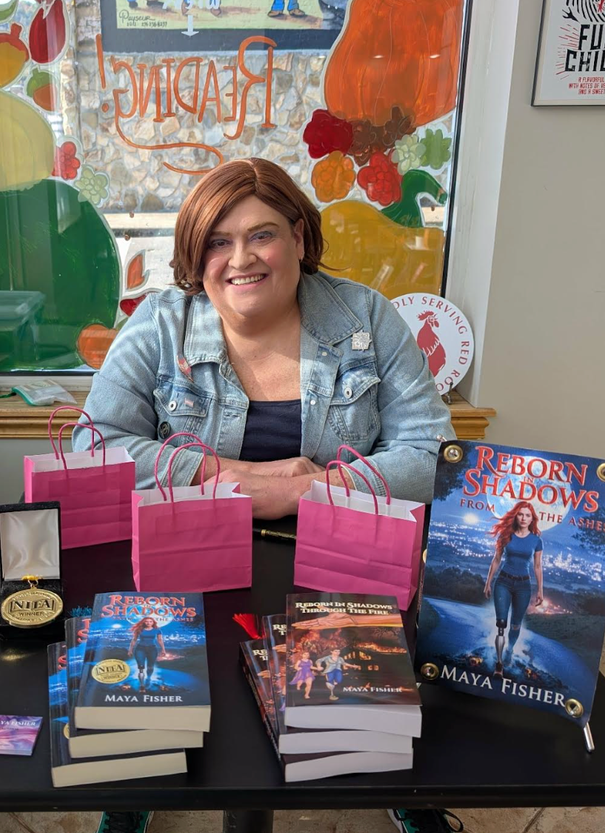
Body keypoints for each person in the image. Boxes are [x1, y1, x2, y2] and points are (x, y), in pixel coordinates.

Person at [77, 157, 454, 833]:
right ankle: (135, 780)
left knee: (365, 717)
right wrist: (231, 478)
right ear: (197, 254)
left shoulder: (367, 318)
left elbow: (431, 455)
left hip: (333, 568)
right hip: (183, 564)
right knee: (150, 692)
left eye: (262, 235)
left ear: (300, 239)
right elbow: (93, 443)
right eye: (218, 240)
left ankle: (399, 779)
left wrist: (301, 492)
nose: (239, 258)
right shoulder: (161, 323)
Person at [483, 501, 544, 676]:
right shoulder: (505, 535)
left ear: (532, 519)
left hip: (523, 586)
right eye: (521, 514)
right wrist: (488, 582)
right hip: (503, 582)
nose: (524, 518)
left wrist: (540, 590)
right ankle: (499, 664)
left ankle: (510, 649)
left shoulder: (536, 541)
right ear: (516, 516)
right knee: (501, 624)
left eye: (527, 515)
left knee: (515, 625)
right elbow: (496, 560)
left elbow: (538, 566)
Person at [128, 617, 166, 692]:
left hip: (152, 649)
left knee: (150, 667)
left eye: (150, 621)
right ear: (144, 622)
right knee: (141, 668)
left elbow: (160, 640)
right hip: (140, 649)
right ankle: (142, 685)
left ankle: (148, 678)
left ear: (153, 622)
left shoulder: (157, 630)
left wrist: (163, 649)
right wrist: (130, 650)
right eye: (146, 621)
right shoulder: (139, 630)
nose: (148, 623)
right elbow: (134, 640)